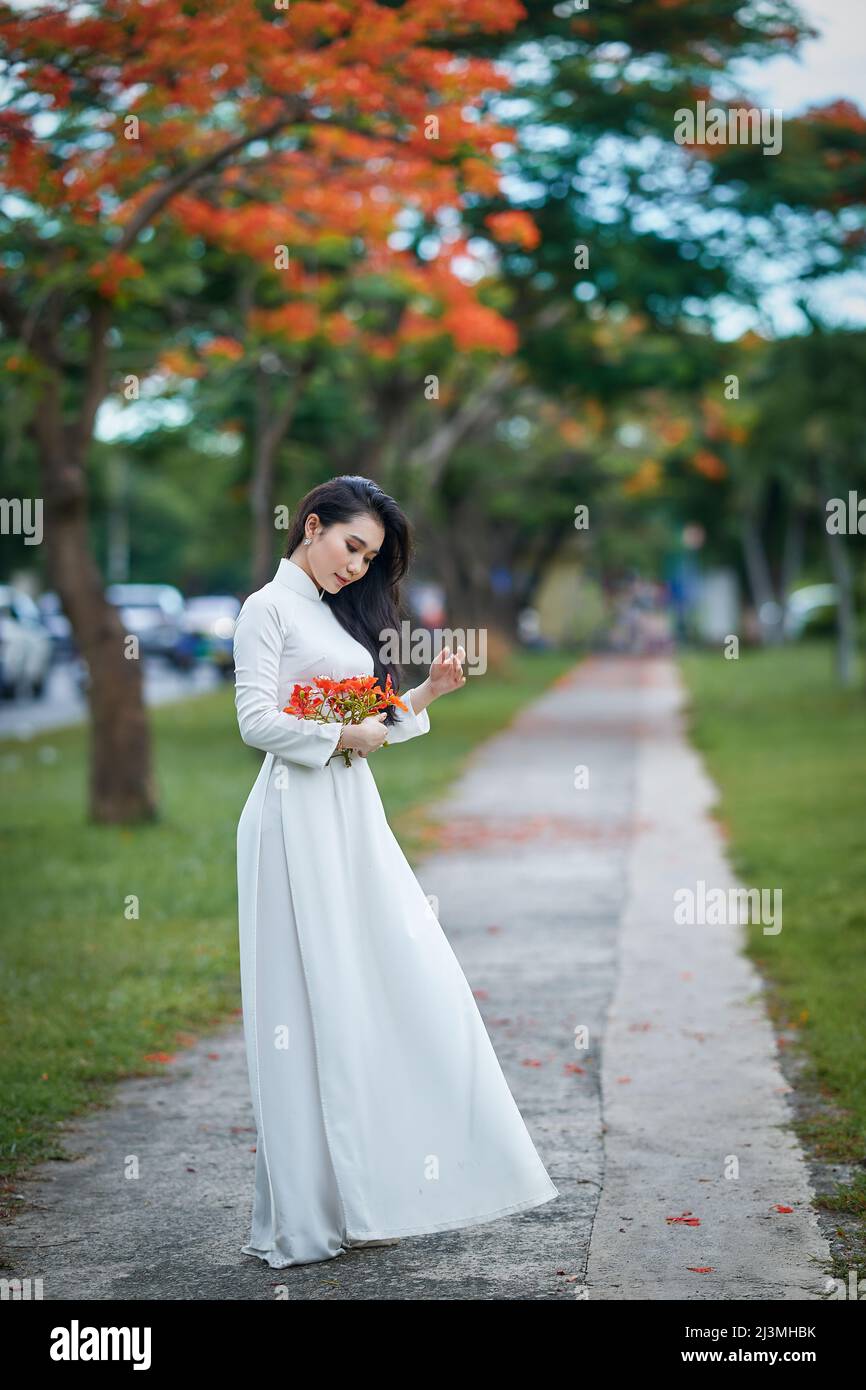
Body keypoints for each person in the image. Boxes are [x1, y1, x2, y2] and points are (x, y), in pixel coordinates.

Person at [233, 475, 559, 1268]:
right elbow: (255, 721)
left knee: (387, 979)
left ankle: (358, 1191)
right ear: (311, 526)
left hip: (350, 819)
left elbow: (364, 721)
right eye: (352, 547)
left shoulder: (330, 613)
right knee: (300, 1003)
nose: (358, 567)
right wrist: (344, 741)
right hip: (293, 819)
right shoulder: (266, 609)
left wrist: (423, 695)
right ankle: (304, 1214)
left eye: (371, 558)